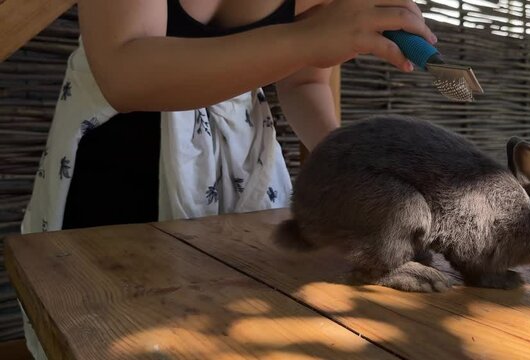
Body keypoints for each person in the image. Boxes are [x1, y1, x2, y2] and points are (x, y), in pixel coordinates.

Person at [19, 0, 436, 357]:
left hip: (240, 163)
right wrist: (314, 36)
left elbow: (305, 78)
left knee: (243, 330)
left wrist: (346, 161)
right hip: (116, 157)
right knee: (113, 329)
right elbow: (123, 70)